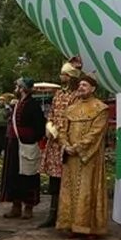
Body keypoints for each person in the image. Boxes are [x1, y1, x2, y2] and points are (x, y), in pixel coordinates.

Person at [56, 72, 109, 238]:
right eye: (80, 85)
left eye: (84, 85)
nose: (81, 87)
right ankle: (71, 225)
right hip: (71, 156)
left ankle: (89, 227)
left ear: (93, 88)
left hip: (88, 157)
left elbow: (96, 133)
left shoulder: (101, 108)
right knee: (70, 191)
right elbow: (63, 129)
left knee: (88, 190)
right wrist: (65, 145)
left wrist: (78, 147)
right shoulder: (71, 108)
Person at [37, 60, 80, 228]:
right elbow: (52, 114)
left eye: (64, 74)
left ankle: (67, 214)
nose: (61, 77)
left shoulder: (76, 96)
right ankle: (52, 213)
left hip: (68, 142)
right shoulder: (59, 94)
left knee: (67, 179)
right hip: (54, 142)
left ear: (70, 77)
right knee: (54, 179)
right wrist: (50, 128)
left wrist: (64, 136)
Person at [0, 78, 46, 219]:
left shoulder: (33, 105)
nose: (16, 89)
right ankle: (16, 205)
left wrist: (31, 138)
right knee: (13, 175)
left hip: (27, 144)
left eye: (17, 87)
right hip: (14, 145)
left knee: (28, 175)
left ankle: (29, 207)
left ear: (23, 89)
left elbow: (39, 126)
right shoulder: (17, 104)